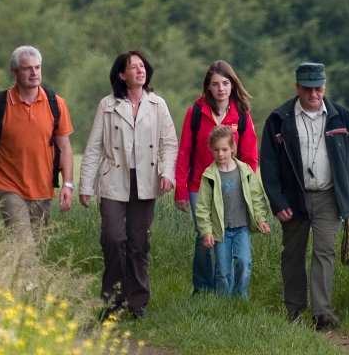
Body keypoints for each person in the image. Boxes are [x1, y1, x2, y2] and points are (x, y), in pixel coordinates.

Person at [259, 62, 349, 330]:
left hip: (329, 196)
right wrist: (277, 201)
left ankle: (322, 313)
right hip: (293, 197)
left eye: (318, 88)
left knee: (325, 251)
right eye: (307, 89)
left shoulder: (342, 118)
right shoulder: (279, 119)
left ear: (324, 86)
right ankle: (293, 312)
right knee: (293, 254)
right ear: (297, 88)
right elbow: (268, 165)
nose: (313, 94)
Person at [78, 50, 178, 319]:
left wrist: (168, 172)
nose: (140, 70)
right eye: (133, 67)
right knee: (113, 238)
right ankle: (112, 299)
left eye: (142, 66)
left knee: (138, 242)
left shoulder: (158, 104)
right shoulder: (107, 105)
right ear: (122, 75)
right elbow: (94, 147)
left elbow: (169, 143)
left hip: (146, 179)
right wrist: (85, 186)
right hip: (113, 179)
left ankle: (138, 303)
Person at [0, 45, 74, 249]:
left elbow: (65, 147)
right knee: (24, 246)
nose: (34, 73)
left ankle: (19, 281)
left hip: (43, 188)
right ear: (15, 73)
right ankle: (24, 279)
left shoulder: (57, 104)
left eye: (37, 67)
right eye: (27, 68)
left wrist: (68, 184)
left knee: (36, 249)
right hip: (7, 185)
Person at [173, 60, 259, 295]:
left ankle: (229, 291)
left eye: (225, 83)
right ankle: (202, 288)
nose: (221, 88)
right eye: (215, 84)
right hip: (199, 185)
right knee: (204, 234)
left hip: (232, 185)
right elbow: (184, 153)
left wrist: (247, 186)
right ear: (208, 87)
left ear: (232, 85)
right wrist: (180, 189)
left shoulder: (241, 115)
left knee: (229, 234)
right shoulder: (196, 113)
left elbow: (251, 156)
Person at [195, 125, 271, 299]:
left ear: (233, 148)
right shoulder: (209, 176)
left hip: (241, 229)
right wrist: (206, 231)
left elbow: (256, 197)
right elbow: (203, 207)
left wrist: (261, 220)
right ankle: (224, 303)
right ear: (211, 150)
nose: (220, 154)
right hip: (220, 231)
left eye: (224, 149)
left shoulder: (244, 171)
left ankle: (239, 296)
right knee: (223, 269)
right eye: (216, 150)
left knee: (244, 262)